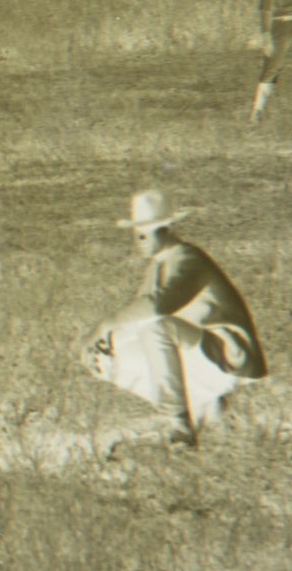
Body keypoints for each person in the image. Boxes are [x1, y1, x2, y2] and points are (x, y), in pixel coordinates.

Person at [84, 190, 267, 446]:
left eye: (148, 232)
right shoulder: (158, 265)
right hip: (202, 349)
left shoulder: (188, 258)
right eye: (137, 233)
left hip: (231, 355)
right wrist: (103, 342)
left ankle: (179, 425)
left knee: (157, 330)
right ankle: (202, 404)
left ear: (167, 230)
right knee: (110, 353)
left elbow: (158, 305)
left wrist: (105, 325)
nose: (141, 240)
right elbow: (136, 319)